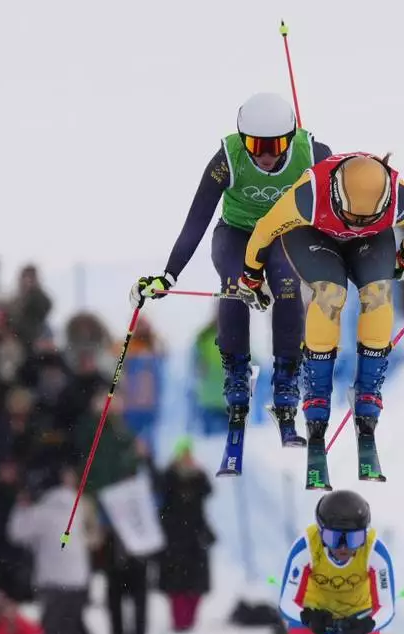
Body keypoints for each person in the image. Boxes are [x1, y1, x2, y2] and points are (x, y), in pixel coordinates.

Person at [132, 92, 332, 448]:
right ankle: (236, 374)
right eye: (256, 145)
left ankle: (286, 380)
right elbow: (197, 219)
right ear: (243, 139)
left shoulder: (312, 153)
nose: (267, 156)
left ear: (290, 139)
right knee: (235, 285)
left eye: (276, 146)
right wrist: (169, 274)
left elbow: (346, 196)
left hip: (283, 236)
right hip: (236, 234)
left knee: (286, 285)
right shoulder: (228, 158)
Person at [238, 152, 404, 486]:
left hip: (371, 241)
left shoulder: (400, 198)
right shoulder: (308, 196)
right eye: (351, 216)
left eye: (364, 217)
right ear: (338, 195)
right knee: (330, 295)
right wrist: (251, 277)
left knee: (379, 295)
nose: (355, 223)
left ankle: (368, 395)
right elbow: (264, 233)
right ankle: (317, 399)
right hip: (313, 236)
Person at [277, 489, 396, 634]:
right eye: (334, 539)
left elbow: (388, 607)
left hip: (357, 621)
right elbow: (285, 602)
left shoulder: (374, 550)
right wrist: (308, 617)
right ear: (321, 533)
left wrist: (367, 624)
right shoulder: (306, 546)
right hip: (312, 620)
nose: (343, 549)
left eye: (353, 540)